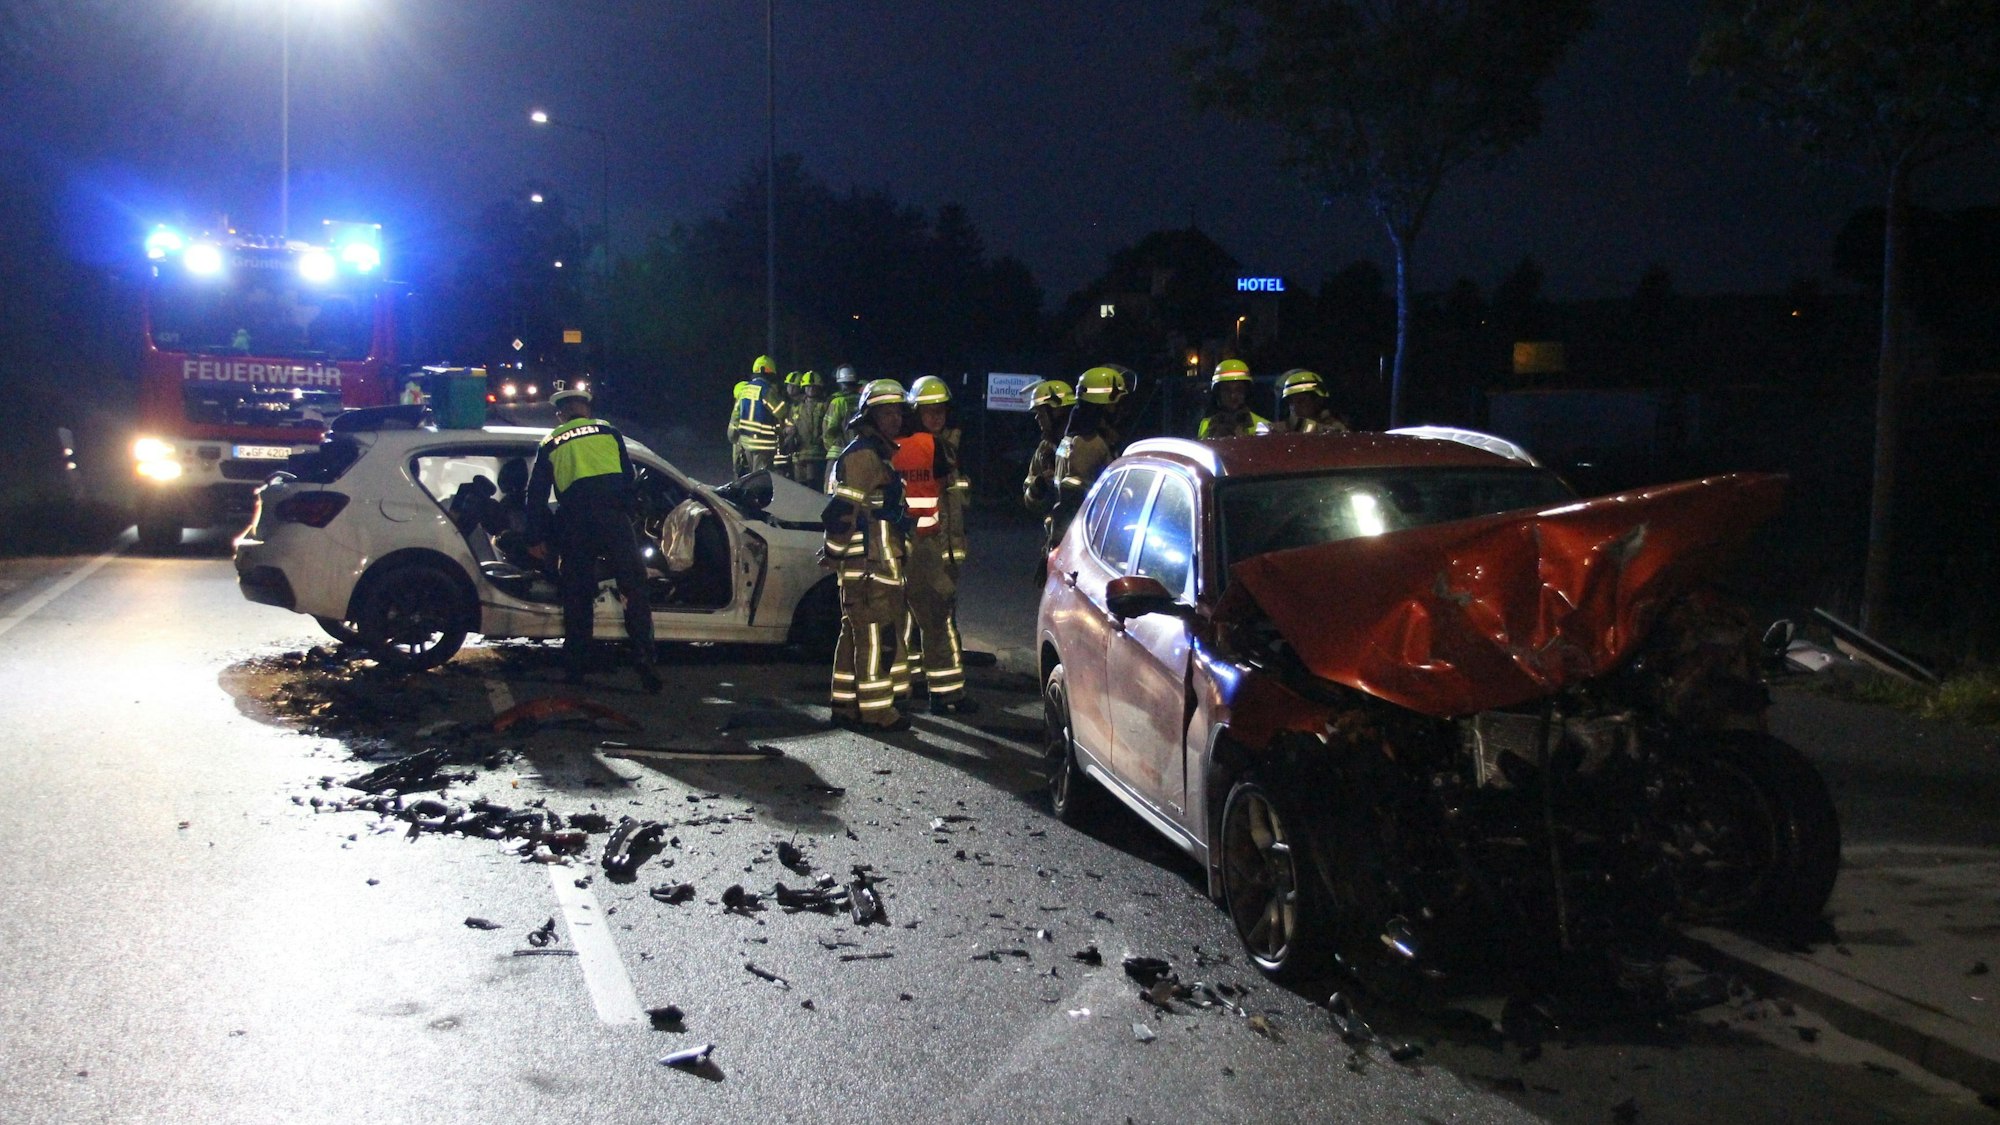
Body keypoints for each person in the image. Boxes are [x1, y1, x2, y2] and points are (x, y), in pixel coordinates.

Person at [525, 387, 661, 693]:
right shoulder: (609, 431)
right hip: (613, 520)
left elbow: (536, 495)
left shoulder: (550, 442)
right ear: (586, 410)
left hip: (576, 524)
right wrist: (627, 515)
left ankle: (576, 667)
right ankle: (645, 659)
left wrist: (534, 537)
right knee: (634, 589)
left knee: (577, 595)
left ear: (561, 414)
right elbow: (629, 479)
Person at [822, 379, 914, 731]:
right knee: (876, 639)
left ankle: (846, 705)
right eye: (886, 413)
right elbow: (842, 512)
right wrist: (835, 554)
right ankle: (877, 713)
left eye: (897, 412)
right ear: (869, 416)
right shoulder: (863, 456)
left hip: (871, 562)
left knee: (855, 635)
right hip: (868, 566)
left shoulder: (873, 452)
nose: (894, 419)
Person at [894, 375, 976, 714]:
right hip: (924, 545)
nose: (936, 416)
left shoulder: (949, 447)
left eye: (941, 410)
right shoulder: (914, 449)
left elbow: (957, 500)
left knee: (928, 617)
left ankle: (923, 683)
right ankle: (942, 691)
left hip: (944, 546)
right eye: (929, 411)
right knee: (931, 618)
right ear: (916, 413)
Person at [1051, 365, 1131, 543]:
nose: (1121, 410)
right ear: (1104, 407)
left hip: (1066, 537)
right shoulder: (1089, 444)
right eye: (1116, 404)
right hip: (1087, 539)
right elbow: (1079, 500)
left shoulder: (1072, 438)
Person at [1021, 379, 1074, 553]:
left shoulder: (1080, 445)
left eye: (1040, 412)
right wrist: (1039, 485)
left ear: (1057, 410)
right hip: (1054, 539)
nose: (1037, 418)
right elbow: (1029, 495)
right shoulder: (1044, 450)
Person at [1197, 359, 1271, 439]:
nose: (1233, 396)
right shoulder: (1206, 425)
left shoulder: (1263, 426)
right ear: (1218, 393)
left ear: (1246, 392)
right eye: (1227, 390)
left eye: (1238, 390)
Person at [784, 369, 831, 487]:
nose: (810, 389)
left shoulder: (824, 406)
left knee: (813, 485)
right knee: (800, 487)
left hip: (817, 454)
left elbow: (828, 427)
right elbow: (787, 426)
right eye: (808, 387)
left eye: (813, 387)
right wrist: (788, 431)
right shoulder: (796, 407)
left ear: (819, 388)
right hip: (798, 455)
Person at [820, 365, 864, 488]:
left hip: (838, 454)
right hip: (861, 452)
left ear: (840, 383)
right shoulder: (863, 401)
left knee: (830, 487)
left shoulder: (838, 402)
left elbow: (828, 429)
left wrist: (831, 446)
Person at [1272, 368, 1351, 434]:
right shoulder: (1289, 427)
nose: (1295, 407)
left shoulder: (1336, 428)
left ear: (1318, 400)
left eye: (1301, 401)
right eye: (1291, 402)